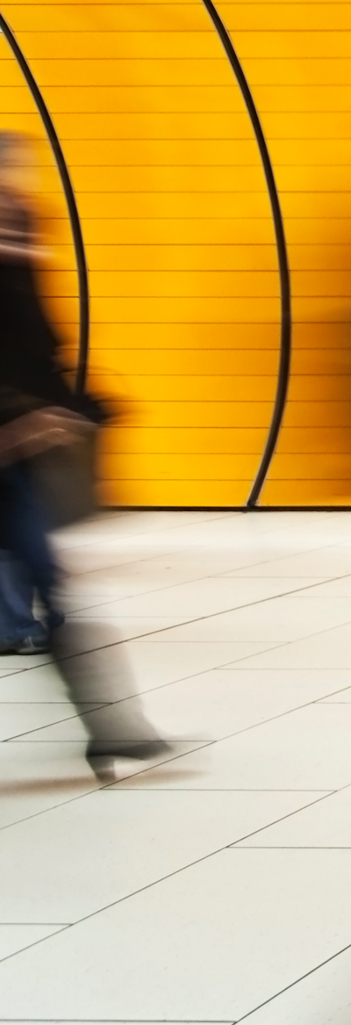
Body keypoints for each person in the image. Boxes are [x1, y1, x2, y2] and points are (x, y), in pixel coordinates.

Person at [0, 131, 164, 780]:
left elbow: (39, 345)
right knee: (40, 575)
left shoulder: (20, 249)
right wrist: (23, 412)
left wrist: (75, 403)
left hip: (14, 454)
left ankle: (111, 726)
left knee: (47, 576)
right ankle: (111, 726)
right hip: (11, 439)